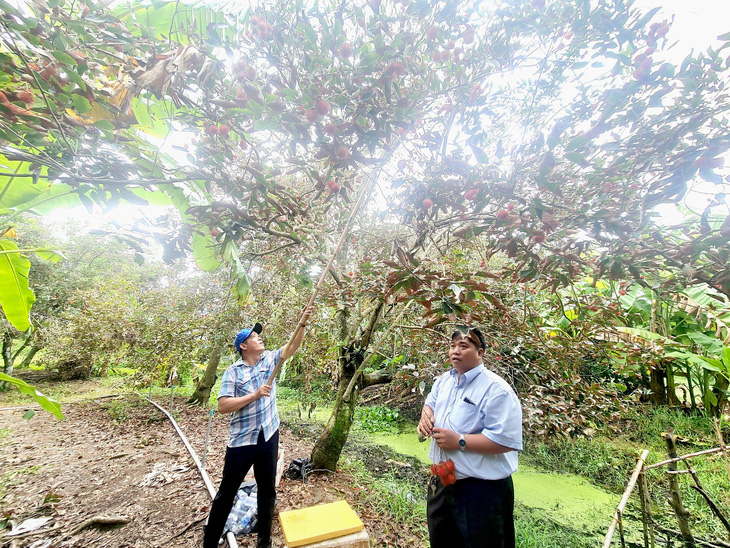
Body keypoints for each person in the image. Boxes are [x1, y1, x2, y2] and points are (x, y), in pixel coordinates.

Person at [204, 308, 312, 548]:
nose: (259, 337)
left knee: (267, 492)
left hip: (268, 436)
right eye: (254, 336)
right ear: (243, 346)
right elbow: (223, 406)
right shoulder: (233, 371)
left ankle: (264, 543)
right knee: (226, 493)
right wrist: (254, 395)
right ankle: (209, 542)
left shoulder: (270, 359)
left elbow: (292, 347)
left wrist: (302, 324)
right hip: (243, 441)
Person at [417, 327, 522, 548]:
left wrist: (460, 441)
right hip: (442, 486)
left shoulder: (497, 390)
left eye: (463, 346)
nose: (455, 351)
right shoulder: (444, 380)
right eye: (452, 345)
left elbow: (505, 441)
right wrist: (425, 417)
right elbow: (430, 403)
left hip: (482, 492)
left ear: (480, 353)